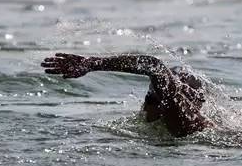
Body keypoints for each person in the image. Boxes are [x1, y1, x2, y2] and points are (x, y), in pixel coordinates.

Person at [41, 53, 209, 137]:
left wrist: (91, 64)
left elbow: (154, 66)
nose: (148, 106)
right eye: (149, 97)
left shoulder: (183, 118)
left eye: (154, 99)